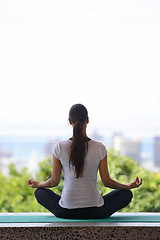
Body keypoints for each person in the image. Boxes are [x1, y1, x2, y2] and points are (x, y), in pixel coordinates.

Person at [28, 103, 142, 219]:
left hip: (66, 212)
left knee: (39, 192)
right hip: (97, 212)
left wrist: (38, 184)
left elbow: (54, 182)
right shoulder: (99, 147)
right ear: (87, 120)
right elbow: (107, 182)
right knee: (126, 194)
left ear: (69, 121)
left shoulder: (59, 147)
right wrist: (128, 186)